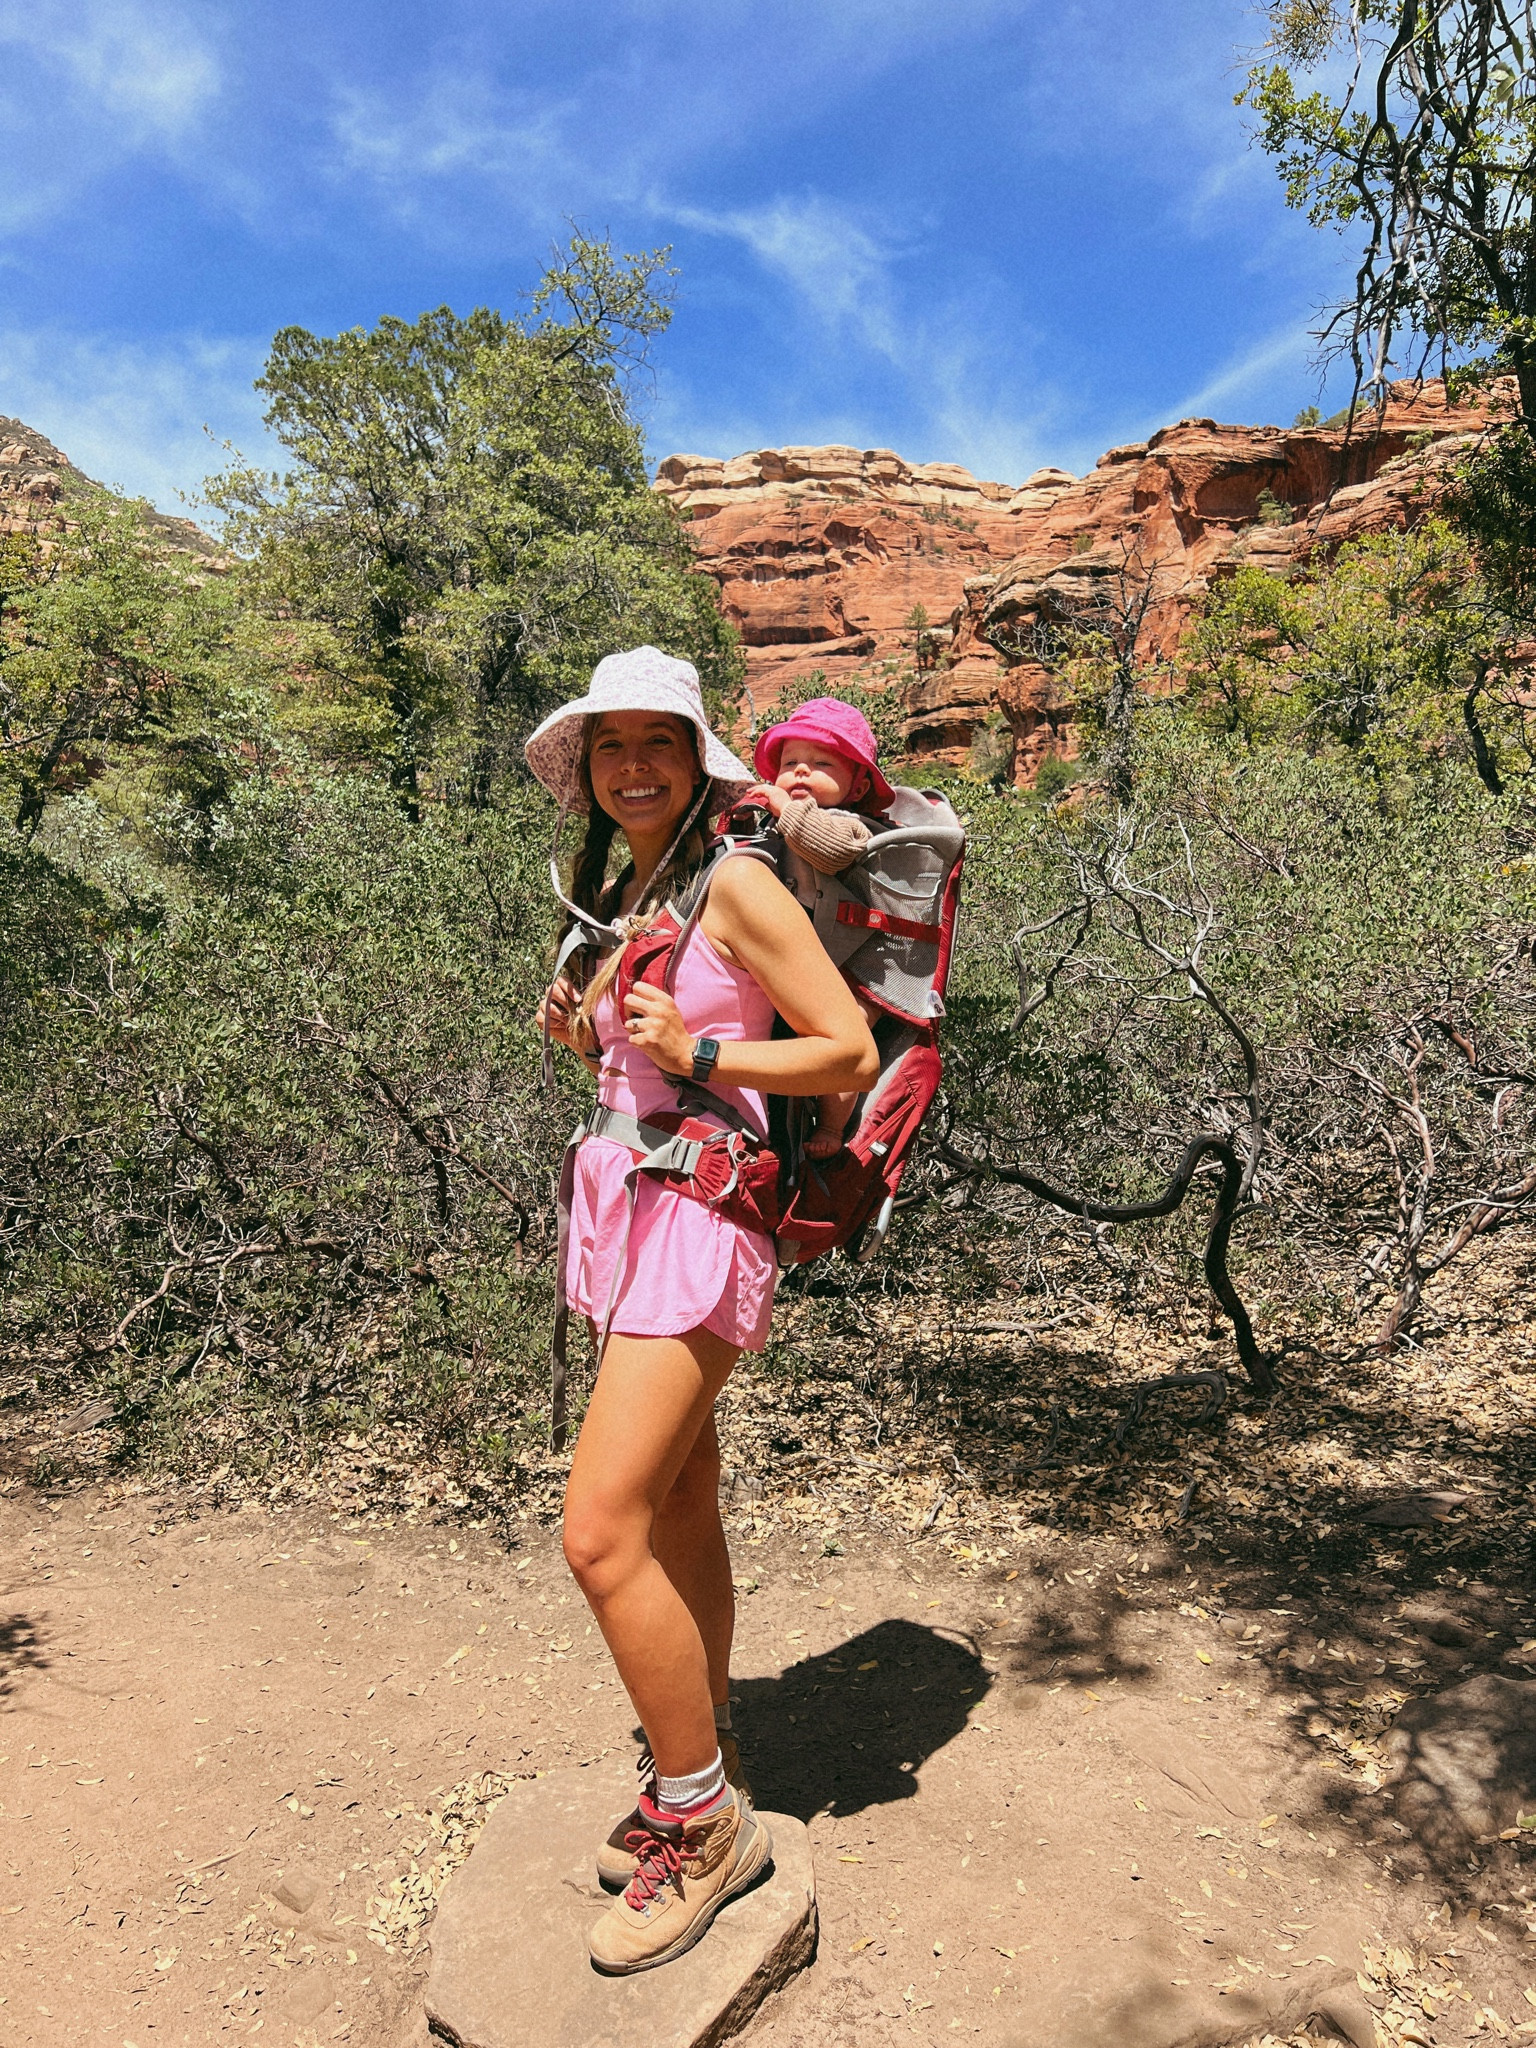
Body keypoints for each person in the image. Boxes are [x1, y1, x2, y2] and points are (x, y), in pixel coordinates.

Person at [527, 647, 878, 1975]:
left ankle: (704, 1821)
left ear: (695, 755)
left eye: (654, 744)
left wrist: (705, 1053)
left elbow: (843, 1045)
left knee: (599, 1533)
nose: (630, 767)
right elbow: (641, 1055)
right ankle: (711, 1745)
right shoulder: (628, 891)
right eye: (608, 747)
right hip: (632, 1205)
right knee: (676, 1502)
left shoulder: (734, 880)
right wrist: (592, 1030)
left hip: (696, 1221)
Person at [741, 697, 895, 1157]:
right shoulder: (773, 825)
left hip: (856, 969)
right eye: (790, 763)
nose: (801, 772)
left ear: (857, 783)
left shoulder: (853, 827)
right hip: (799, 962)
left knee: (842, 1046)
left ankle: (832, 1124)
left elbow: (829, 851)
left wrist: (786, 809)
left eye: (821, 762)